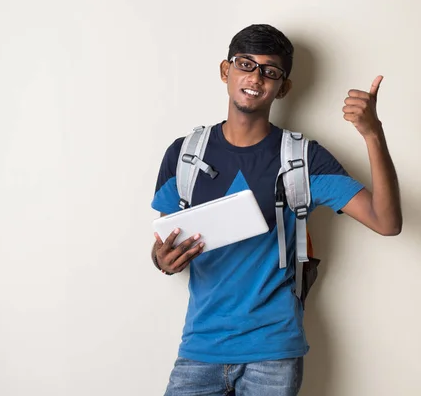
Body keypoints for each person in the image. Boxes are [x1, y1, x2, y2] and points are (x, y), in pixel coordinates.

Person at [150, 23, 402, 396]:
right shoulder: (185, 154)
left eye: (270, 71)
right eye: (245, 64)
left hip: (274, 353)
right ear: (225, 70)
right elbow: (165, 244)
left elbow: (387, 221)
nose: (256, 77)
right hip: (200, 348)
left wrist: (372, 133)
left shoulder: (303, 159)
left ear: (283, 87)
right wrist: (163, 260)